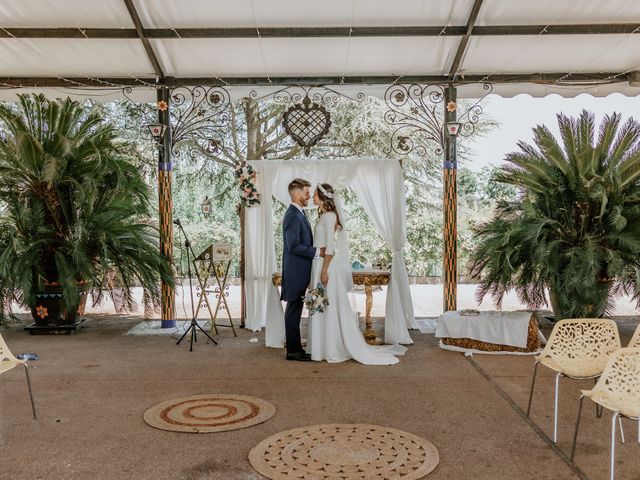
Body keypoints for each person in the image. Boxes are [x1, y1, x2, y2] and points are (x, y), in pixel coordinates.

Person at [306, 183, 407, 364]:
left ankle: (331, 347)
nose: (312, 197)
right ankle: (320, 347)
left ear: (322, 197)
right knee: (321, 305)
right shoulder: (324, 215)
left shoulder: (329, 216)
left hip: (324, 266)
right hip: (318, 264)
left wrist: (323, 270)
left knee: (328, 306)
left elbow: (330, 245)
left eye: (314, 194)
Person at [281, 178, 316, 362]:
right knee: (293, 310)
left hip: (300, 271)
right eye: (306, 192)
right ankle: (293, 351)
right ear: (297, 194)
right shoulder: (292, 215)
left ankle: (295, 348)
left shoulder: (299, 213)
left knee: (295, 309)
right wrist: (316, 252)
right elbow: (293, 245)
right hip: (295, 271)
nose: (309, 195)